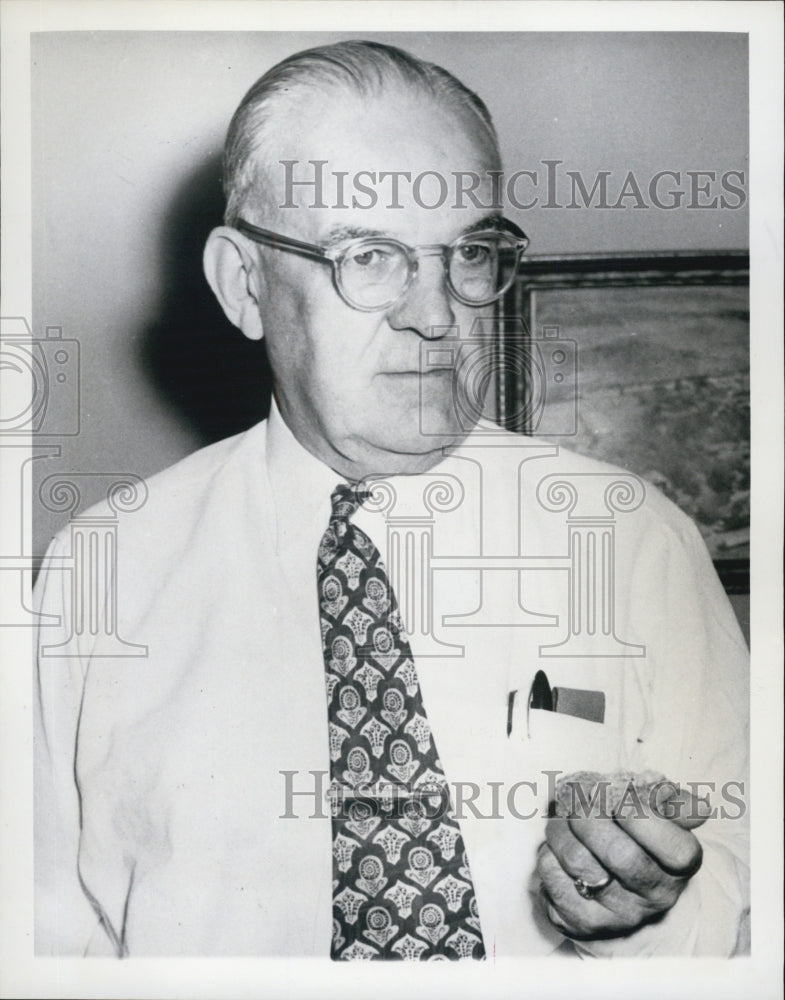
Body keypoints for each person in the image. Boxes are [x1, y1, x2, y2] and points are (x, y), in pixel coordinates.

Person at [34, 40, 749, 959]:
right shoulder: (98, 574)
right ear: (244, 284)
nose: (436, 312)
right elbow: (47, 937)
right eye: (369, 256)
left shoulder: (632, 540)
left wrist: (646, 914)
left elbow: (749, 888)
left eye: (469, 253)